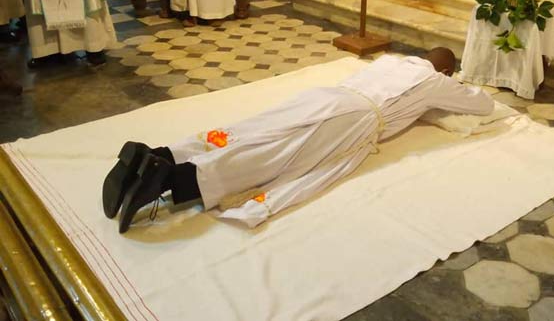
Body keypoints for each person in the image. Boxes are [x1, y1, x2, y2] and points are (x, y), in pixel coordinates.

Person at [102, 48, 494, 233]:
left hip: (324, 97)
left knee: (251, 130)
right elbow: (483, 105)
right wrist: (453, 85)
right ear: (445, 70)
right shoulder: (434, 80)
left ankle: (159, 155)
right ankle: (172, 179)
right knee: (273, 157)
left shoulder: (390, 59)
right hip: (354, 118)